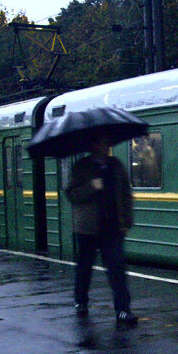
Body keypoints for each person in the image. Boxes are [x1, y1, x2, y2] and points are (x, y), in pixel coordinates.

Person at [65, 136, 138, 326]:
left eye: (107, 143)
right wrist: (91, 186)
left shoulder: (116, 166)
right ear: (94, 145)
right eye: (101, 143)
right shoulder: (81, 167)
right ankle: (81, 301)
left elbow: (126, 195)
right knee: (84, 268)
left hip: (112, 226)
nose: (105, 146)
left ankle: (123, 310)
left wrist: (126, 222)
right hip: (87, 228)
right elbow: (72, 194)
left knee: (117, 269)